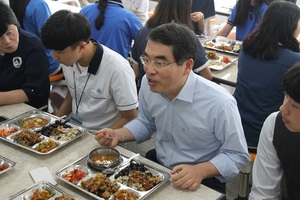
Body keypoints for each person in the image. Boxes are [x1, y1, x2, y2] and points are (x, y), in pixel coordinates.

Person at [95, 23, 250, 193]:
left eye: (160, 63)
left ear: (188, 66)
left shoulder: (219, 103)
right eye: (146, 59)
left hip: (203, 177)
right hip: (160, 167)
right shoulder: (149, 85)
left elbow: (237, 155)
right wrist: (118, 134)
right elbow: (146, 123)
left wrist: (199, 171)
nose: (149, 70)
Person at [41, 10, 138, 131]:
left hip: (100, 135)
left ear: (81, 47)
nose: (54, 57)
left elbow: (130, 117)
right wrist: (55, 122)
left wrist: (102, 138)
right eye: (52, 51)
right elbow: (73, 92)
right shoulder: (68, 59)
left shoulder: (117, 69)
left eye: (59, 52)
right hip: (73, 129)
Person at [233, 1, 300, 148]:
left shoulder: (247, 47)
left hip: (235, 125)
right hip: (267, 134)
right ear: (291, 26)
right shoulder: (294, 60)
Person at [131, 0, 212, 88]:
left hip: (145, 89)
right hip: (174, 96)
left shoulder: (143, 31)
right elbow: (207, 76)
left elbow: (136, 72)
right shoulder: (185, 35)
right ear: (186, 8)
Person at [249, 63, 300, 200]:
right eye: (286, 95)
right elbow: (263, 194)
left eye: (295, 105)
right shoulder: (275, 125)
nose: (283, 108)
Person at [0, 0, 50, 109]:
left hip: (29, 111)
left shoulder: (33, 46)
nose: (7, 41)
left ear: (15, 24)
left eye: (10, 33)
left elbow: (35, 91)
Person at [9, 0, 61, 76]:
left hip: (24, 64)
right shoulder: (39, 5)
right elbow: (51, 36)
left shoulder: (12, 5)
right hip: (48, 65)